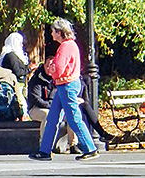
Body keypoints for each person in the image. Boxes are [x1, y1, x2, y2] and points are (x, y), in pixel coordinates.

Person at [29, 18, 99, 161]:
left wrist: (54, 72)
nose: (52, 34)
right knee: (52, 118)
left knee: (73, 118)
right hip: (65, 85)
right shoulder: (70, 45)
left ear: (60, 32)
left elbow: (58, 68)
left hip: (66, 85)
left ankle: (90, 148)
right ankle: (44, 150)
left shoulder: (66, 47)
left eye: (54, 31)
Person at [26, 57, 77, 152]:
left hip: (55, 107)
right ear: (44, 66)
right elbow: (36, 98)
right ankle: (44, 145)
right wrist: (51, 106)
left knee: (71, 114)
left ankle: (73, 144)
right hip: (37, 108)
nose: (50, 68)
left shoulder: (59, 79)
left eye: (52, 66)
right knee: (47, 115)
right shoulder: (37, 79)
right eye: (47, 66)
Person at [0, 31, 30, 118]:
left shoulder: (15, 55)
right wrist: (28, 70)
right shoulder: (10, 56)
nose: (22, 45)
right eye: (20, 43)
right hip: (14, 86)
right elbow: (17, 71)